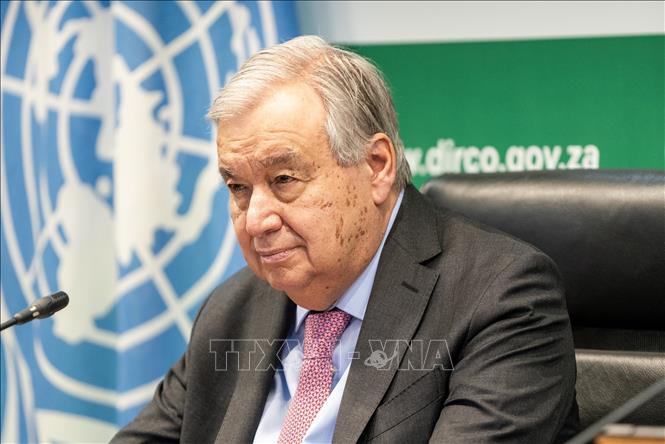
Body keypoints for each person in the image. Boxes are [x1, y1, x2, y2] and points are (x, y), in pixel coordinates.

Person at [112, 35, 578, 443]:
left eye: (284, 179)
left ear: (376, 166)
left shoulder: (501, 299)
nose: (255, 221)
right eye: (237, 187)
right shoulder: (232, 309)